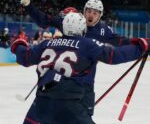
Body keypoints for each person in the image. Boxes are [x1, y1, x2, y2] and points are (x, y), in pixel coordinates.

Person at [18, 0, 142, 117]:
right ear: (84, 11)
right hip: (63, 81)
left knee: (83, 115)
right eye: (88, 11)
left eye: (95, 12)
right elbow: (44, 20)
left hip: (86, 81)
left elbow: (122, 41)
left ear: (100, 15)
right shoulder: (72, 21)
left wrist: (141, 43)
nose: (91, 15)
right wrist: (28, 6)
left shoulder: (104, 30)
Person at [11, 12, 150, 124]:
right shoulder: (87, 44)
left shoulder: (47, 43)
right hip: (69, 105)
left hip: (41, 103)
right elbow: (114, 55)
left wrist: (19, 44)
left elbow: (25, 57)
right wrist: (141, 46)